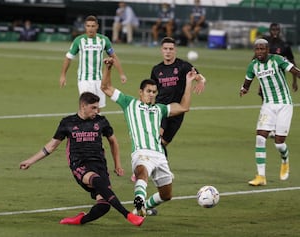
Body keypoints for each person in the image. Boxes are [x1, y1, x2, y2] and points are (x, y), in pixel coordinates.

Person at [19, 92, 145, 226]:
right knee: (96, 180)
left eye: (97, 107)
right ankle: (128, 215)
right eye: (93, 108)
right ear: (83, 106)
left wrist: (117, 165)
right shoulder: (68, 122)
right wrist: (30, 161)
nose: (97, 111)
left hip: (99, 165)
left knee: (104, 206)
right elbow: (51, 146)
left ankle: (80, 220)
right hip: (80, 165)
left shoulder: (101, 121)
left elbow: (113, 141)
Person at [101, 56, 198, 217]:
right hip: (141, 152)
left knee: (166, 194)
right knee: (142, 172)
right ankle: (139, 199)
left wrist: (188, 82)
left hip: (159, 155)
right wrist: (109, 68)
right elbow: (105, 87)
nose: (151, 95)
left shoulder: (160, 109)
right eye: (148, 91)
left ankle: (141, 207)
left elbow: (184, 107)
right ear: (141, 92)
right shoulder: (129, 103)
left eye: (154, 92)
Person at [239, 38, 300, 186]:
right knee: (260, 138)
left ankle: (285, 160)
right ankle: (261, 177)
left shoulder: (277, 60)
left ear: (267, 49)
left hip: (284, 105)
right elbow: (248, 81)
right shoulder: (253, 65)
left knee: (279, 143)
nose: (260, 52)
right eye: (257, 49)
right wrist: (244, 89)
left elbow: (295, 71)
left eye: (262, 49)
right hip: (268, 105)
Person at [151, 37, 206, 154]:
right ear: (161, 50)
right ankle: (147, 168)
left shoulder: (183, 66)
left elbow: (199, 76)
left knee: (164, 143)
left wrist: (201, 81)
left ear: (175, 50)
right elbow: (152, 90)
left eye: (171, 49)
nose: (168, 51)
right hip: (161, 108)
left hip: (178, 110)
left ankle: (156, 164)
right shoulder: (156, 70)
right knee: (156, 140)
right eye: (165, 49)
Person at [59, 15, 127, 110]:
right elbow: (68, 58)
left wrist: (121, 74)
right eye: (88, 26)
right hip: (84, 80)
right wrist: (63, 75)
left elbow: (113, 57)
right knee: (87, 108)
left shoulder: (104, 40)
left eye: (93, 26)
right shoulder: (79, 41)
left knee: (98, 109)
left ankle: (96, 125)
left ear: (97, 26)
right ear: (85, 26)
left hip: (100, 80)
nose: (90, 28)